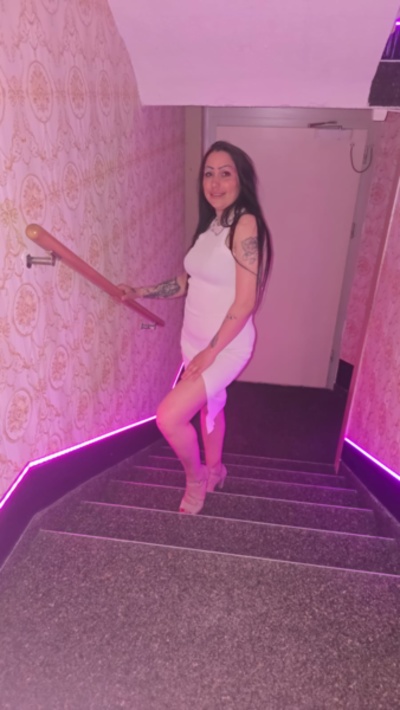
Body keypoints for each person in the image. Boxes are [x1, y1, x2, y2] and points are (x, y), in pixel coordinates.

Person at [119, 141, 272, 516]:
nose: (215, 183)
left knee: (169, 417)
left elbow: (245, 302)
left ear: (241, 180)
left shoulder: (245, 224)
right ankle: (216, 468)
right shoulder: (212, 226)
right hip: (195, 341)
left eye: (225, 174)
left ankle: (196, 477)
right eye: (209, 174)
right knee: (210, 406)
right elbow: (189, 281)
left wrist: (210, 352)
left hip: (224, 347)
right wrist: (140, 292)